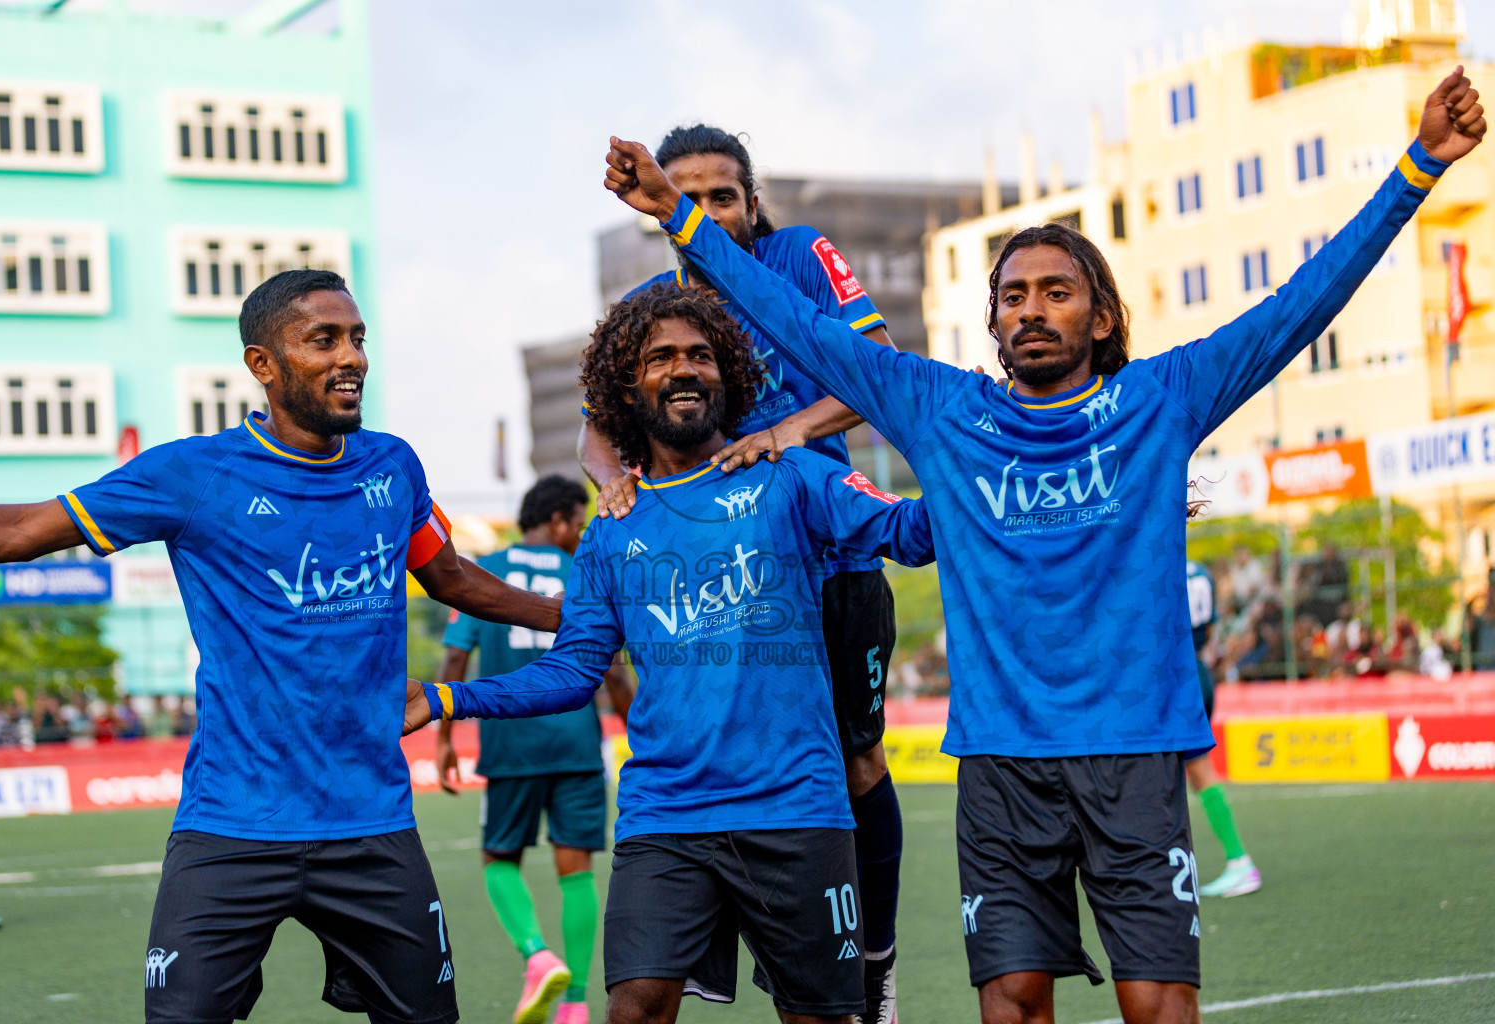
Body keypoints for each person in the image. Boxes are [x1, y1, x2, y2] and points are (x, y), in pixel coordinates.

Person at [602, 66, 1484, 1024]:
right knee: (1012, 1005)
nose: (1031, 308)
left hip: (1137, 757)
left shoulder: (1161, 400)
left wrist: (1419, 166)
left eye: (1056, 292)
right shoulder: (942, 411)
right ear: (992, 323)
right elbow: (796, 322)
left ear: (1099, 317)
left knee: (1159, 1007)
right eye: (1013, 295)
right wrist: (679, 223)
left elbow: (1300, 306)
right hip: (1001, 767)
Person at [0, 269, 563, 1023]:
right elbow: (23, 531)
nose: (352, 357)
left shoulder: (392, 465)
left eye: (357, 338)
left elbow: (451, 579)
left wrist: (566, 617)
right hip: (231, 824)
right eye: (323, 340)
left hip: (371, 822)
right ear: (263, 365)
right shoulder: (193, 474)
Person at [410, 284, 933, 1024]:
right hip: (667, 817)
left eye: (701, 355)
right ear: (628, 387)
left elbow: (912, 534)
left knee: (822, 1019)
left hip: (796, 810)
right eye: (662, 358)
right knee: (634, 1011)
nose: (685, 369)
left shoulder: (794, 474)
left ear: (730, 376)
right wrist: (447, 699)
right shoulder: (612, 529)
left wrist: (979, 455)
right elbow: (573, 671)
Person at [579, 125, 906, 1022]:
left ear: (750, 205)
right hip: (720, 578)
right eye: (685, 196)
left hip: (829, 556)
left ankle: (870, 960)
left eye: (722, 196)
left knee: (858, 763)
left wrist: (787, 432)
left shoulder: (801, 257)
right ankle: (699, 942)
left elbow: (879, 372)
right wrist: (613, 483)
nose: (707, 212)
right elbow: (599, 424)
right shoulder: (655, 303)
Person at [434, 475, 636, 1024]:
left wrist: (446, 737)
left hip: (511, 741)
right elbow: (615, 675)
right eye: (578, 522)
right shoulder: (584, 572)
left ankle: (536, 954)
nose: (580, 534)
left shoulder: (482, 572)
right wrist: (640, 734)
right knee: (576, 868)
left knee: (499, 858)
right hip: (576, 741)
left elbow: (455, 660)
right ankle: (574, 1007)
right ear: (559, 521)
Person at [1184, 560, 1259, 898]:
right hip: (1198, 670)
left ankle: (1239, 861)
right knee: (1193, 773)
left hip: (1175, 675)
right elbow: (1210, 629)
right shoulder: (1201, 570)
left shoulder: (1155, 553)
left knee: (1195, 773)